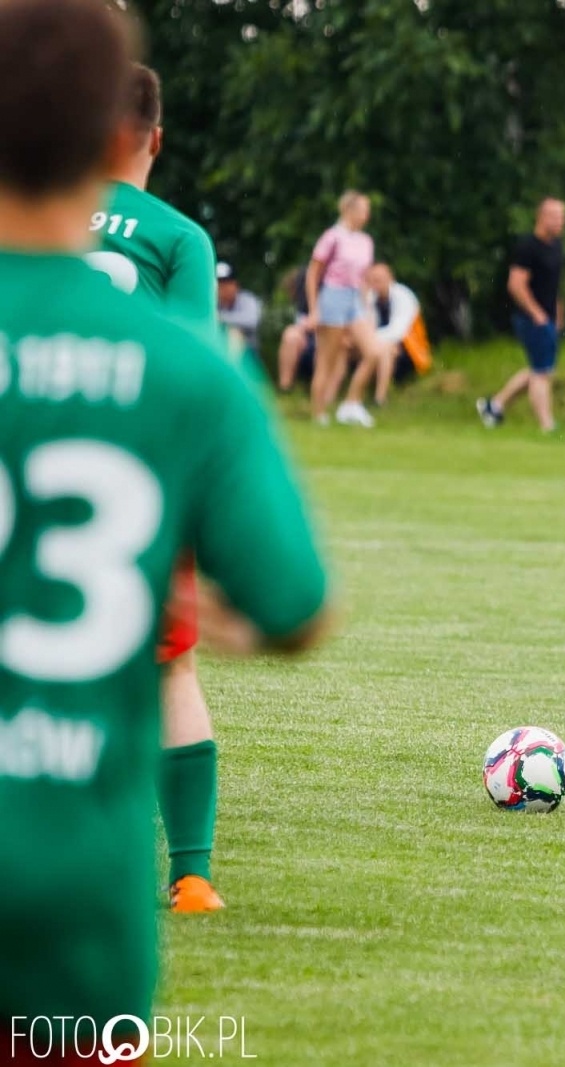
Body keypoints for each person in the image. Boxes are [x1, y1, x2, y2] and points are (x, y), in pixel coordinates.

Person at [0, 0, 332, 1056]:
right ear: (121, 137)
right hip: (72, 926)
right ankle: (190, 865)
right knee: (174, 671)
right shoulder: (188, 365)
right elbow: (294, 602)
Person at [88, 61, 234, 913]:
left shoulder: (23, 222)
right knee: (170, 673)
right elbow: (185, 372)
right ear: (155, 138)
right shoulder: (176, 236)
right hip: (132, 484)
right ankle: (191, 876)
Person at [477, 197, 565, 432]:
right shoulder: (527, 247)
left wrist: (557, 312)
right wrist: (536, 314)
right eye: (555, 216)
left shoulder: (557, 246)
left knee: (541, 368)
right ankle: (547, 425)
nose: (560, 222)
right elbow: (516, 285)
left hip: (548, 317)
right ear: (542, 217)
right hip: (531, 318)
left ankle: (494, 405)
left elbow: (555, 285)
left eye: (562, 217)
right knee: (541, 372)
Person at [305, 189, 375, 426]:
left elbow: (364, 278)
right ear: (348, 210)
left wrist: (367, 309)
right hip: (333, 296)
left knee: (373, 351)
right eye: (363, 210)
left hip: (355, 299)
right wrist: (314, 309)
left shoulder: (366, 241)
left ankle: (351, 404)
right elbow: (313, 273)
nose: (367, 215)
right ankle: (318, 412)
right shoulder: (332, 237)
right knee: (328, 359)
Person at [338, 262, 427, 419]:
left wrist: (367, 339)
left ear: (390, 279)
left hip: (409, 351)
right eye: (371, 280)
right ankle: (340, 394)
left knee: (385, 348)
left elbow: (397, 331)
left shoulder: (404, 296)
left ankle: (379, 398)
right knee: (347, 347)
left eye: (378, 280)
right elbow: (364, 323)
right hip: (381, 345)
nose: (374, 284)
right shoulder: (370, 297)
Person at [216, 260, 263, 362]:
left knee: (234, 335)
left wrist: (220, 318)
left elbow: (252, 321)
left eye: (226, 283)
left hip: (248, 355)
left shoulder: (247, 299)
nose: (222, 288)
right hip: (219, 353)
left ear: (235, 285)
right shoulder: (213, 303)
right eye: (219, 284)